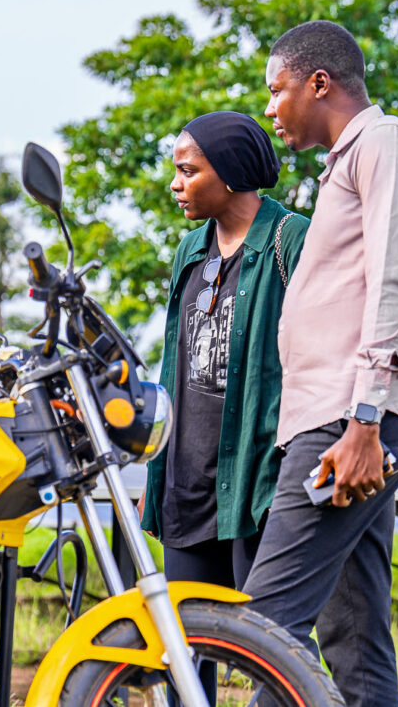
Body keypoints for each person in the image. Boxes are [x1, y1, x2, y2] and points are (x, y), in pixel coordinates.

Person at [241, 21, 398, 707]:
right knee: (354, 632)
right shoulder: (343, 167)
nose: (271, 107)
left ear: (319, 83)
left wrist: (364, 419)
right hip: (343, 414)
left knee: (264, 625)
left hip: (351, 417)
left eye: (278, 90)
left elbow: (396, 280)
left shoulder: (385, 144)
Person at [140, 111, 308, 597]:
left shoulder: (292, 239)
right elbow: (174, 363)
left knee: (270, 637)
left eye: (188, 171)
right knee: (187, 647)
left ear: (232, 172)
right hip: (188, 483)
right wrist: (157, 479)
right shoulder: (190, 249)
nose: (176, 184)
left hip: (259, 481)